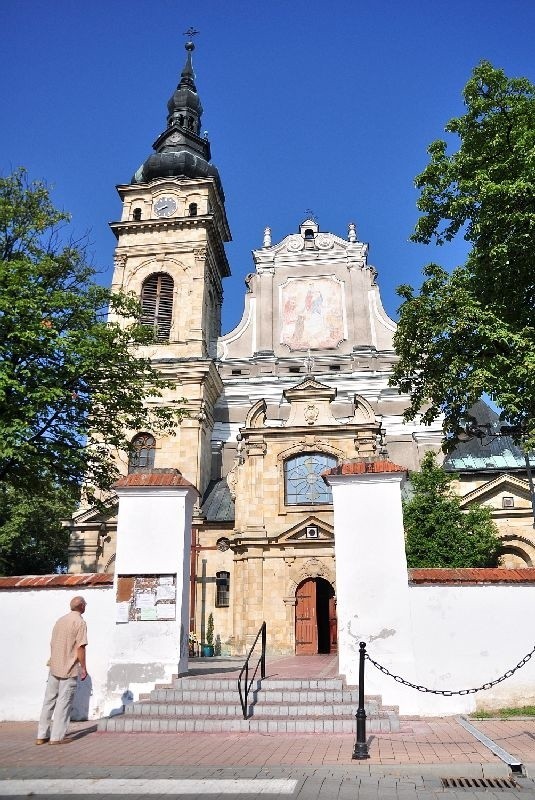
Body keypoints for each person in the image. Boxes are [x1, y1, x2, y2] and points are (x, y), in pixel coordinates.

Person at [36, 596, 88, 745]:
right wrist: (83, 667)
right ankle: (57, 737)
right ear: (82, 606)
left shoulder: (60, 620)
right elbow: (81, 647)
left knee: (49, 700)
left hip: (54, 665)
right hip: (69, 667)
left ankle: (41, 735)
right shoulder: (80, 622)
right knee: (63, 702)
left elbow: (52, 642)